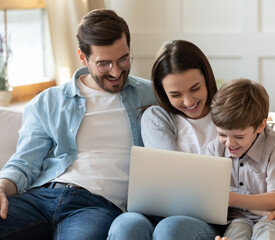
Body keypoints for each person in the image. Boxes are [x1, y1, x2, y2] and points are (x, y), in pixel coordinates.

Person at [107, 40, 275, 240]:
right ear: (162, 91)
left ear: (207, 78)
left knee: (170, 229)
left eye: (195, 88)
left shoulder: (226, 114)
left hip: (202, 218)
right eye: (175, 94)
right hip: (160, 208)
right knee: (125, 226)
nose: (188, 101)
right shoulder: (157, 118)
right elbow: (174, 177)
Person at [0, 9, 157, 240]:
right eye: (104, 63)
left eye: (123, 59)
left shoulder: (152, 94)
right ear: (83, 58)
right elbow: (25, 163)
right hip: (41, 198)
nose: (116, 72)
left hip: (97, 207)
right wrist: (2, 186)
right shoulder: (49, 101)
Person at [208, 78, 275, 240]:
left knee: (268, 233)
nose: (229, 143)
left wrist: (232, 198)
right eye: (222, 134)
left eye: (239, 136)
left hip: (272, 216)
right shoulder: (213, 148)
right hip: (236, 219)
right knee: (236, 232)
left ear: (261, 126)